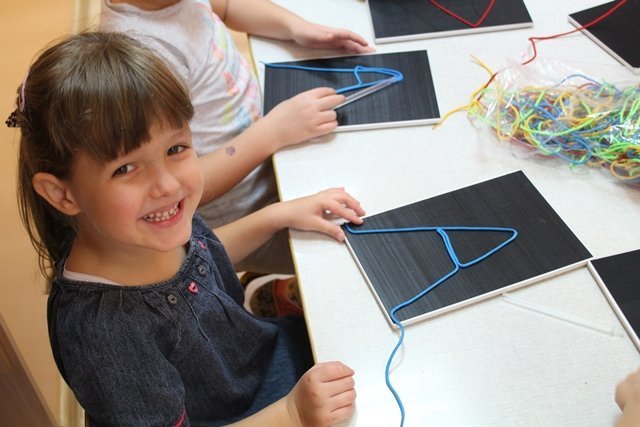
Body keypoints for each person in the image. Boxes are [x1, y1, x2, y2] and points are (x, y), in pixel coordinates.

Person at [11, 31, 364, 426]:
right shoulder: (103, 336)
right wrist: (292, 413)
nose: (167, 185)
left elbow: (201, 255)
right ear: (62, 194)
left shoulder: (149, 225)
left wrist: (276, 216)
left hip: (268, 361)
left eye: (175, 149)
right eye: (125, 168)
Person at [100, 0, 375, 274]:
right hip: (246, 211)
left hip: (273, 154)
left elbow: (228, 6)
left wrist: (294, 27)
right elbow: (176, 185)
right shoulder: (138, 58)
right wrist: (273, 132)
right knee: (346, 258)